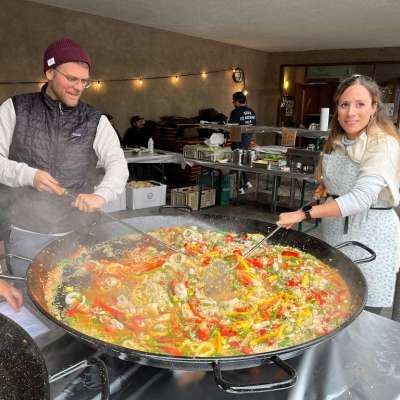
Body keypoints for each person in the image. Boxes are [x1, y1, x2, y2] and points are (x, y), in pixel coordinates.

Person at [0, 38, 129, 310]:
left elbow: (118, 164)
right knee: (30, 300)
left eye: (84, 81)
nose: (79, 87)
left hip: (76, 232)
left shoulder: (95, 120)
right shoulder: (15, 108)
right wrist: (27, 175)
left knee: (75, 302)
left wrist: (101, 196)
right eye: (72, 78)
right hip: (26, 231)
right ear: (49, 73)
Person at [277, 74, 400, 315]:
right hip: (333, 232)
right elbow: (331, 177)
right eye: (344, 105)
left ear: (374, 107)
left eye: (360, 104)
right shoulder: (337, 139)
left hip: (370, 235)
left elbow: (362, 198)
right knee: (328, 306)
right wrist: (328, 187)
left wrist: (303, 213)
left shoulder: (383, 143)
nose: (350, 112)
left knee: (360, 313)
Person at [229, 91, 256, 194]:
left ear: (237, 101)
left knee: (237, 163)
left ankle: (240, 188)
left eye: (233, 101)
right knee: (242, 162)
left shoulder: (235, 112)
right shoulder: (252, 111)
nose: (232, 103)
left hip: (238, 140)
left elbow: (231, 126)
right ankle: (247, 181)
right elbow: (254, 127)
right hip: (247, 140)